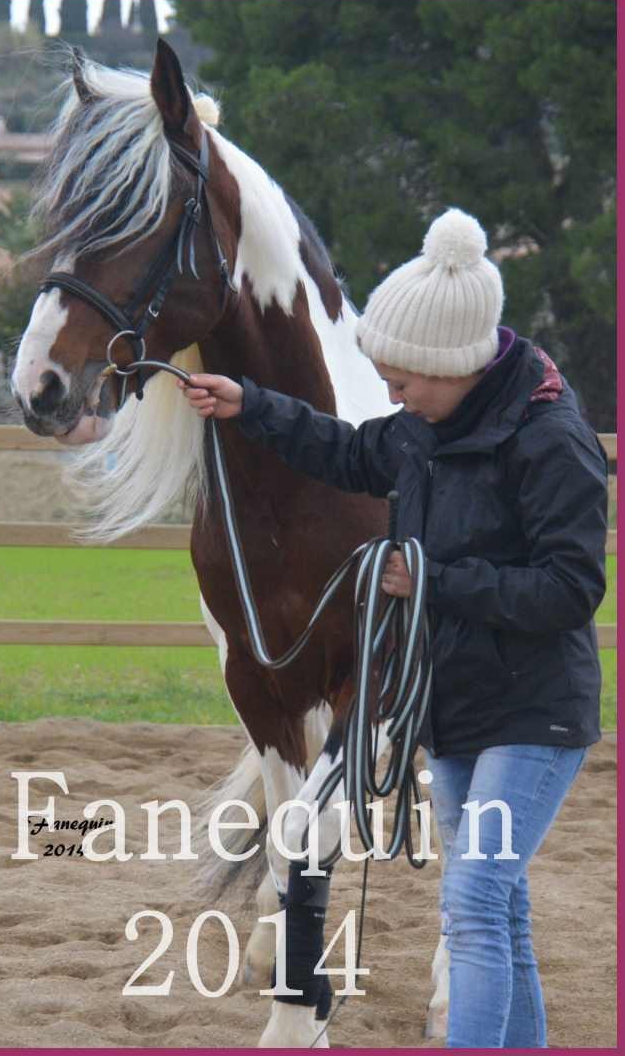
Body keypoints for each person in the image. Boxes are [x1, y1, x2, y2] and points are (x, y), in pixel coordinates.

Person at [177, 207, 608, 1048]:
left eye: (404, 379)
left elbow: (570, 588)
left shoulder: (552, 441)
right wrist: (250, 403)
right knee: (500, 904)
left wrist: (433, 581)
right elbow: (345, 452)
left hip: (534, 713)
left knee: (477, 901)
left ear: (457, 366)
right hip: (448, 707)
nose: (394, 395)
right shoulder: (424, 426)